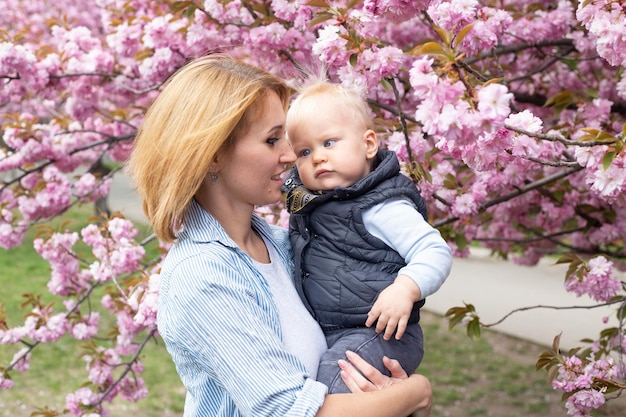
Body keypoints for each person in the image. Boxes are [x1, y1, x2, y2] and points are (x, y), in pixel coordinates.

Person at [126, 54, 433, 417]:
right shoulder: (204, 276)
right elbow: (288, 411)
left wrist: (386, 398)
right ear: (212, 156)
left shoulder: (287, 246)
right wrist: (416, 392)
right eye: (273, 140)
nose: (290, 155)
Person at [282, 79, 453, 394]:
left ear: (369, 145)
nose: (317, 157)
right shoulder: (311, 208)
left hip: (379, 332)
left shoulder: (381, 206)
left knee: (335, 384)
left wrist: (405, 289)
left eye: (329, 142)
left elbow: (433, 250)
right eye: (304, 151)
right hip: (333, 332)